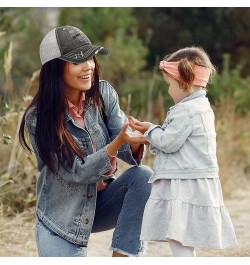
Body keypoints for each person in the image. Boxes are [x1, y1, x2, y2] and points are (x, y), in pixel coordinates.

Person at [18, 25, 153, 257]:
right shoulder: (38, 118)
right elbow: (75, 172)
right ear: (55, 68)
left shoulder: (103, 94)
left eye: (90, 57)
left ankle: (123, 257)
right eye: (77, 61)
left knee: (144, 178)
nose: (89, 66)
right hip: (62, 219)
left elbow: (125, 147)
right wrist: (116, 144)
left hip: (101, 203)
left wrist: (133, 139)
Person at [129, 46, 238, 257]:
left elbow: (169, 142)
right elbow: (175, 138)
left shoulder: (187, 111)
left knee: (177, 234)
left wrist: (151, 131)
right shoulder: (201, 107)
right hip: (192, 177)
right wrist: (152, 130)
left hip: (183, 182)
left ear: (184, 82)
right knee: (182, 235)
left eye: (169, 85)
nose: (169, 91)